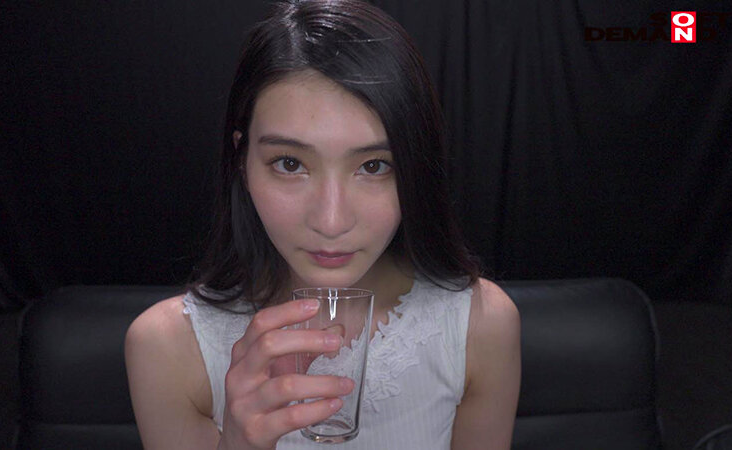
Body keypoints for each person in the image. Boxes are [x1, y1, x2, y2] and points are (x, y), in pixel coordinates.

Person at [124, 0, 521, 448]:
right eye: (290, 163)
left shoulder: (480, 326)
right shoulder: (167, 349)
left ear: (415, 169)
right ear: (242, 162)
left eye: (373, 166)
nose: (331, 222)